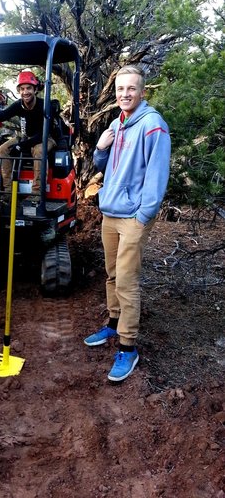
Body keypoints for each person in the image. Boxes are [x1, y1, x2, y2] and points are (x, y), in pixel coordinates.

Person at [84, 65, 171, 382]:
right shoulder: (117, 124)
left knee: (126, 281)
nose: (125, 94)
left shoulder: (153, 126)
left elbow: (157, 176)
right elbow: (104, 166)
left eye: (131, 88)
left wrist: (143, 215)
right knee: (111, 274)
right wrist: (100, 148)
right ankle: (113, 323)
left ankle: (128, 347)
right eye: (121, 89)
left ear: (142, 91)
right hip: (110, 211)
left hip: (133, 217)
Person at [0, 70, 56, 197]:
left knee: (38, 151)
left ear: (35, 89)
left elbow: (41, 135)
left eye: (29, 88)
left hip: (45, 138)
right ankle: (8, 193)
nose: (25, 92)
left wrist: (21, 146)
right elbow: (0, 116)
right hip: (26, 136)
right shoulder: (18, 105)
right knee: (2, 150)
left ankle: (36, 194)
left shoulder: (44, 105)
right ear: (19, 91)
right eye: (22, 89)